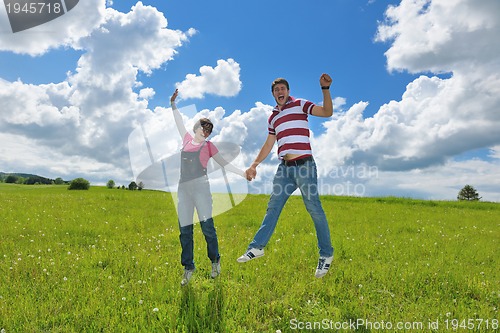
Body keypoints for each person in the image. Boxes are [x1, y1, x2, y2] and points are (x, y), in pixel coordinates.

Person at [237, 74, 335, 278]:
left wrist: (325, 89)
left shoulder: (300, 105)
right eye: (276, 90)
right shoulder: (273, 117)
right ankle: (257, 247)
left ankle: (326, 255)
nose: (279, 92)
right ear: (273, 94)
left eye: (282, 89)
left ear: (288, 91)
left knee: (314, 208)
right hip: (284, 169)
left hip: (305, 166)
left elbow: (326, 112)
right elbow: (268, 144)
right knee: (273, 206)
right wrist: (254, 164)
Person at [170, 89, 245, 286]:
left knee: (207, 229)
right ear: (196, 128)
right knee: (185, 230)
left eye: (209, 130)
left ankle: (215, 261)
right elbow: (178, 122)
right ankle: (188, 267)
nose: (206, 131)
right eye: (204, 128)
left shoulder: (210, 146)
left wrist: (243, 173)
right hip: (183, 189)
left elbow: (224, 164)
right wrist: (173, 105)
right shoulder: (186, 139)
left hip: (201, 189)